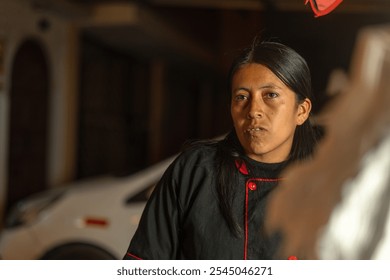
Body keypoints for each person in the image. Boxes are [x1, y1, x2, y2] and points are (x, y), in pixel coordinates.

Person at [123, 40, 319, 260]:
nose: (253, 111)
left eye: (270, 95)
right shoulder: (195, 171)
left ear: (301, 111)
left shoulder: (328, 186)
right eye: (241, 97)